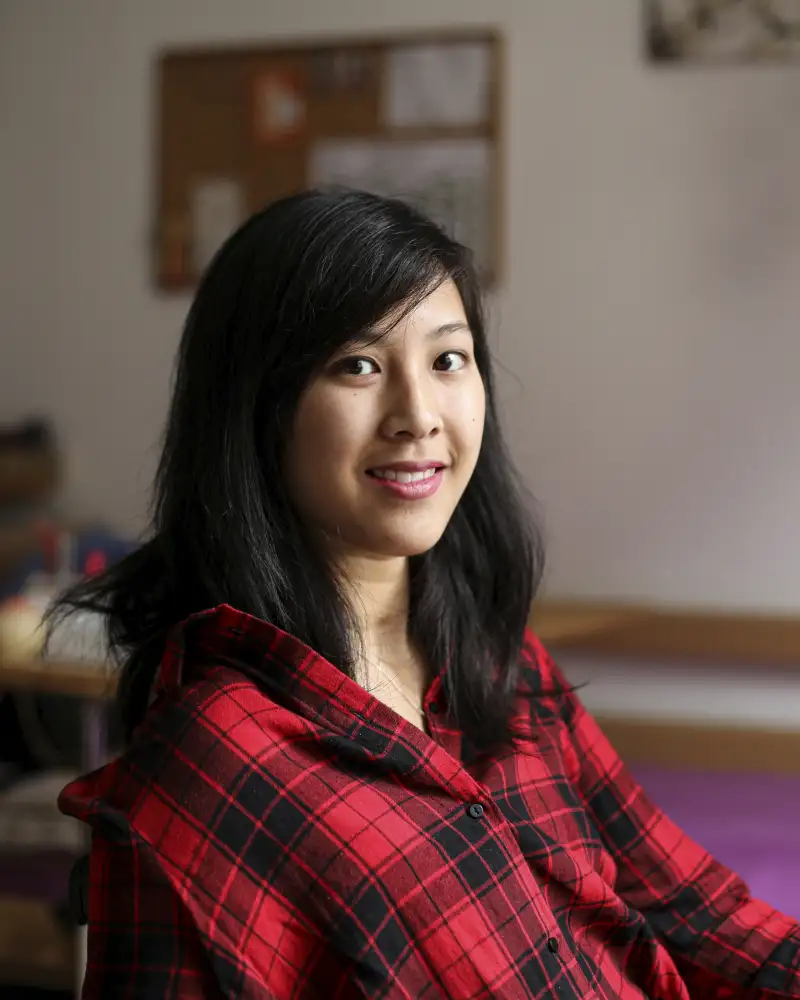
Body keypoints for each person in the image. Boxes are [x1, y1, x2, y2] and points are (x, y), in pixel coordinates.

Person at [53, 189, 800, 999]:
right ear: (257, 406)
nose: (418, 415)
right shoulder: (207, 776)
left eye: (448, 360)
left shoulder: (499, 662)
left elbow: (698, 913)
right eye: (358, 365)